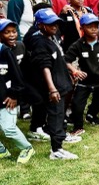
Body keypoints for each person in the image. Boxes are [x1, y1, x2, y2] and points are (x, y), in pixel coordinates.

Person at [23, 8, 81, 157]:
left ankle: (58, 143)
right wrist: (52, 89)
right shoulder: (39, 42)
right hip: (54, 86)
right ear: (40, 25)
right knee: (56, 116)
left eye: (56, 23)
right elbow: (45, 66)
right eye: (50, 24)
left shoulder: (50, 36)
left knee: (58, 115)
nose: (54, 26)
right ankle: (56, 150)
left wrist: (69, 72)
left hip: (60, 82)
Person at [0, 19, 35, 163]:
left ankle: (27, 148)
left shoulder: (4, 51)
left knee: (8, 128)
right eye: (6, 32)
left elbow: (18, 77)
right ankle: (2, 150)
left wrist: (14, 95)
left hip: (6, 97)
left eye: (13, 31)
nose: (11, 34)